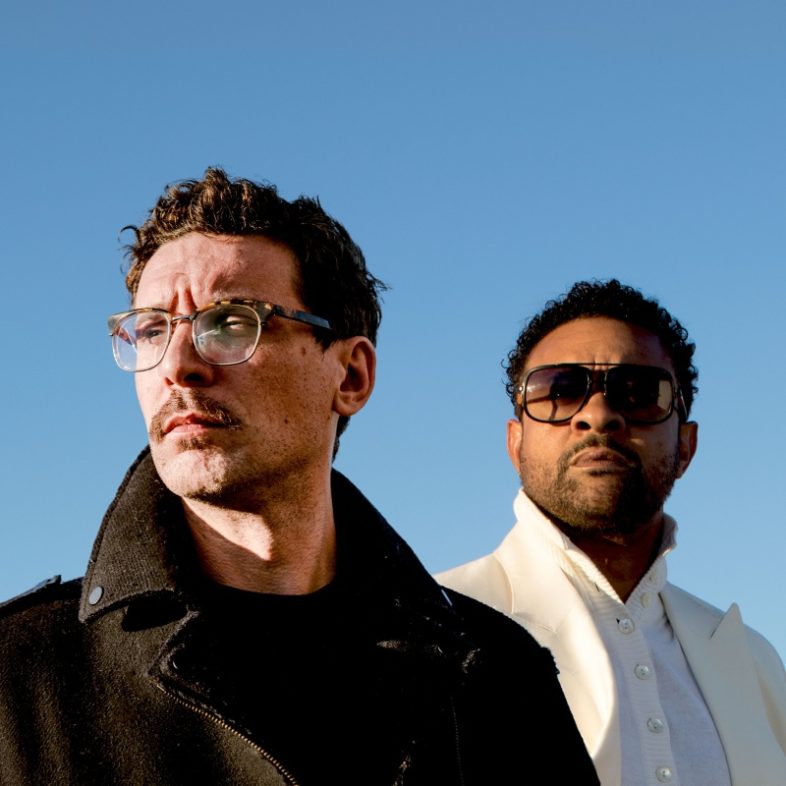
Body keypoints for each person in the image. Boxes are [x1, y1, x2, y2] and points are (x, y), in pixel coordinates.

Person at [0, 169, 597, 786]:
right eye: (152, 330)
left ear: (351, 376)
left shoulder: (495, 676)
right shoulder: (19, 676)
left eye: (230, 323)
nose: (176, 365)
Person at [439, 279, 786, 786]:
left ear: (686, 446)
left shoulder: (752, 663)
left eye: (639, 392)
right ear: (516, 443)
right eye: (559, 390)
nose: (598, 415)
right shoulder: (427, 628)